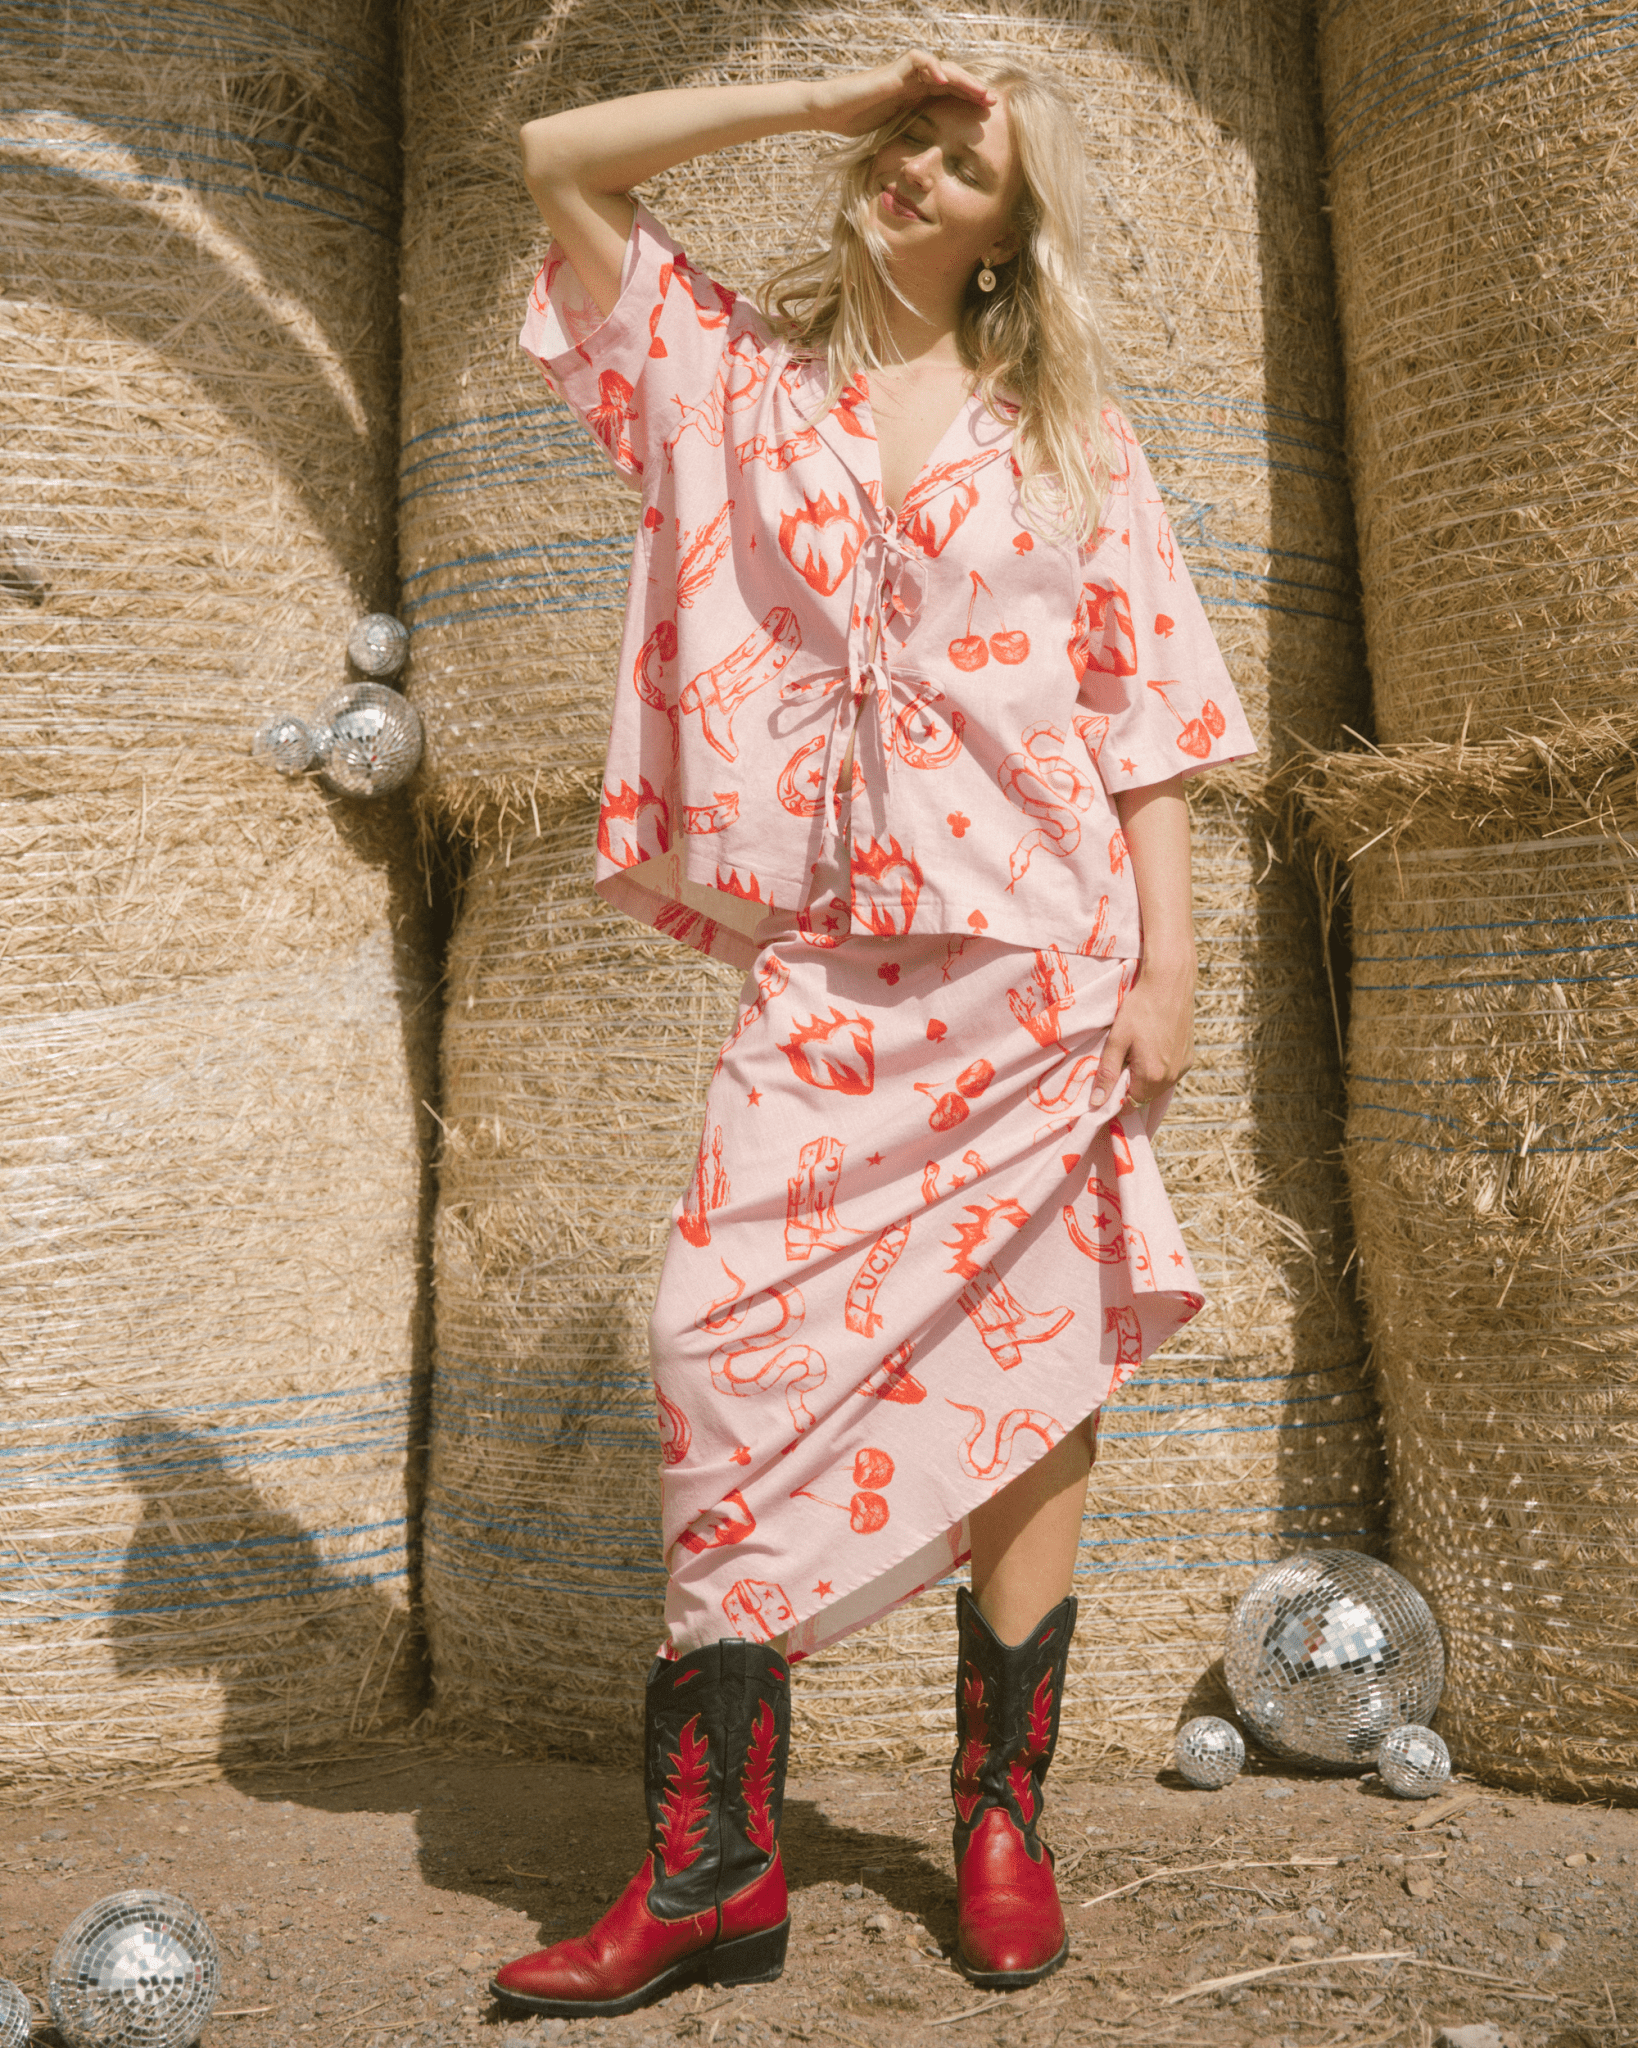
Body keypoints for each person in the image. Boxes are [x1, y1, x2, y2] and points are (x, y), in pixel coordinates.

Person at [493, 47, 1253, 2021]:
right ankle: (716, 1863)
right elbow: (556, 159)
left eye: (955, 159)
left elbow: (1149, 715)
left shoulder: (1069, 436)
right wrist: (823, 99)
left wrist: (1170, 962)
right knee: (708, 1338)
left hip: (1037, 960)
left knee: (1034, 1366)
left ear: (1011, 229)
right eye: (901, 144)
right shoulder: (733, 381)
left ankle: (999, 1819)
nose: (912, 170)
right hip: (832, 970)